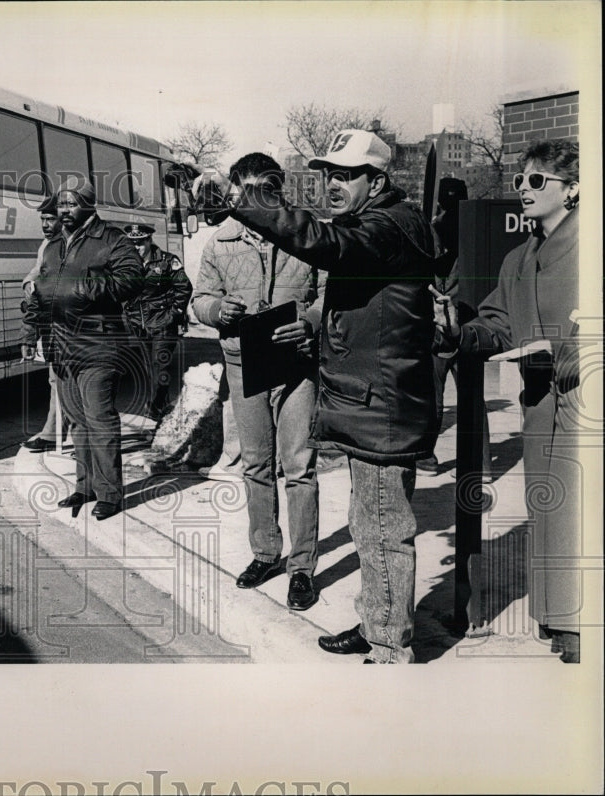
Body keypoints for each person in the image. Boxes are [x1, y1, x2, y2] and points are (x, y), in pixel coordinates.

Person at [194, 130, 440, 662]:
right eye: (327, 173)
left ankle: (388, 648)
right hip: (370, 401)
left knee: (380, 527)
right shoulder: (381, 222)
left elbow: (325, 248)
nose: (332, 183)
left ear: (376, 182)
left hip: (383, 406)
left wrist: (243, 200)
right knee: (370, 525)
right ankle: (380, 621)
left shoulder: (386, 227)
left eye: (345, 175)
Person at [433, 139, 581, 663]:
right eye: (520, 180)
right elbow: (496, 323)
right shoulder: (519, 258)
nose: (524, 188)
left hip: (587, 402)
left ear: (574, 188)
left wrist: (569, 349)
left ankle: (578, 624)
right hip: (542, 403)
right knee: (551, 508)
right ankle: (561, 615)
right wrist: (458, 331)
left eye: (537, 181)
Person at [192, 152, 326, 610]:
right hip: (243, 362)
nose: (254, 198)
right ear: (234, 189)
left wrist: (310, 320)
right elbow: (200, 297)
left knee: (300, 466)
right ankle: (266, 553)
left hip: (295, 366)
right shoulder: (220, 241)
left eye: (264, 189)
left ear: (278, 190)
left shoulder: (306, 234)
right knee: (255, 465)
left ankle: (302, 568)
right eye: (245, 189)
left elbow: (332, 292)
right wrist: (216, 311)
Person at [27, 175, 143, 521]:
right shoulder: (53, 246)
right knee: (77, 421)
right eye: (61, 203)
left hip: (98, 345)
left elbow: (132, 279)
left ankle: (109, 493)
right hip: (61, 346)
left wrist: (82, 287)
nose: (64, 210)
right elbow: (38, 293)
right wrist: (29, 332)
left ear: (88, 204)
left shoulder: (111, 239)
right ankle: (85, 485)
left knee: (100, 420)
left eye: (71, 203)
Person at [416, 259, 492, 480]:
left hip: (445, 331)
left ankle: (426, 460)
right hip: (464, 327)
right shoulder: (469, 246)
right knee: (471, 398)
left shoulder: (431, 245)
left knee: (432, 396)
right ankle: (480, 465)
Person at [121, 223, 193, 423]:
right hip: (139, 324)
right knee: (149, 368)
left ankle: (153, 409)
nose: (136, 247)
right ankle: (162, 404)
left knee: (160, 366)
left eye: (140, 243)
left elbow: (184, 287)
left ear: (149, 241)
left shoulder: (168, 261)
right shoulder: (126, 264)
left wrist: (175, 313)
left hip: (163, 324)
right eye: (132, 243)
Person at [20, 197, 70, 452]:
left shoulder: (67, 244)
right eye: (43, 220)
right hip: (51, 323)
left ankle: (56, 433)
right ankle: (55, 431)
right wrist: (29, 283)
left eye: (51, 219)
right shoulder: (47, 245)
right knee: (56, 378)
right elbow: (37, 272)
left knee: (65, 380)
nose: (45, 224)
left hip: (69, 325)